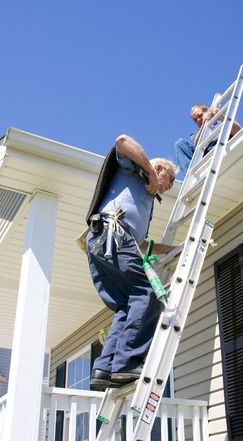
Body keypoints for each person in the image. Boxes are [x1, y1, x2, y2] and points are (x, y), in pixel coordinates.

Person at [85, 134, 178, 390]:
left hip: (104, 243)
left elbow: (140, 245)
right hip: (110, 234)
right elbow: (122, 140)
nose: (170, 186)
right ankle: (127, 363)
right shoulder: (135, 171)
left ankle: (104, 368)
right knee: (147, 294)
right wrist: (148, 171)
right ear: (159, 170)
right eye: (170, 179)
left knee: (127, 305)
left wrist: (173, 248)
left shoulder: (145, 201)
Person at [175, 103, 241, 175]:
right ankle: (190, 176)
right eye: (195, 120)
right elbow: (196, 144)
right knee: (179, 143)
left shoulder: (221, 121)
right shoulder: (196, 134)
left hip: (223, 149)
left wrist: (220, 116)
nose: (198, 120)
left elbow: (238, 131)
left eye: (200, 116)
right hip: (206, 158)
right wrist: (204, 125)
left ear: (208, 111)